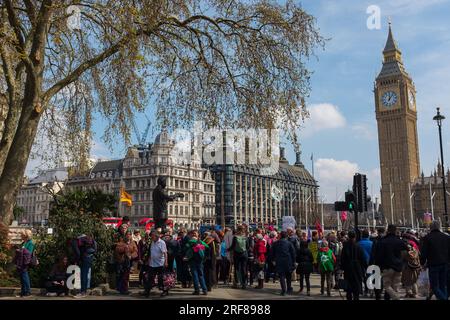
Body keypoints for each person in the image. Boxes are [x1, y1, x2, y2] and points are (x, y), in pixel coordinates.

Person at [374, 225, 408, 300]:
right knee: (395, 287)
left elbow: (378, 256)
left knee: (387, 286)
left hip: (387, 266)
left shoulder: (382, 241)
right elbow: (406, 252)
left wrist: (379, 266)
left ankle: (397, 298)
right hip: (398, 267)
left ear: (387, 230)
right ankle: (395, 297)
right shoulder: (400, 241)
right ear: (395, 231)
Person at [420, 220, 450, 300]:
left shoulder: (427, 238)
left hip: (433, 264)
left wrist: (422, 263)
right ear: (439, 227)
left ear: (430, 227)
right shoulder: (446, 237)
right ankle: (444, 297)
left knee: (434, 286)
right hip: (445, 264)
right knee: (443, 285)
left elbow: (424, 252)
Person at [341, 230, 366, 300]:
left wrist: (342, 268)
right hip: (357, 269)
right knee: (356, 290)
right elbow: (363, 259)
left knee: (348, 290)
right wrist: (364, 268)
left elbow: (342, 259)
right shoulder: (359, 247)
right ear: (355, 237)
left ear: (348, 237)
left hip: (348, 269)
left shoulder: (345, 247)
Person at [144, 230, 169, 297]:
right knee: (150, 278)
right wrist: (148, 260)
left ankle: (164, 290)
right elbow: (151, 252)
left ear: (156, 236)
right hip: (152, 263)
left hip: (160, 263)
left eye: (152, 236)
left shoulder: (162, 243)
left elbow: (165, 253)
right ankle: (147, 291)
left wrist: (166, 262)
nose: (151, 237)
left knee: (161, 278)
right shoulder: (152, 242)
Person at [271, 231, 296, 296]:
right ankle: (289, 288)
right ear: (286, 236)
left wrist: (273, 260)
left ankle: (284, 290)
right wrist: (294, 262)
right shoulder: (289, 243)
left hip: (279, 261)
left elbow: (272, 253)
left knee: (281, 276)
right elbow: (293, 253)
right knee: (288, 275)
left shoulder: (275, 243)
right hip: (288, 261)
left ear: (281, 236)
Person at [185, 229, 209, 295]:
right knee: (201, 275)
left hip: (192, 261)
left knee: (195, 276)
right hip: (200, 261)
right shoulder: (200, 242)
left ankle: (197, 290)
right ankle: (204, 290)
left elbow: (186, 248)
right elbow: (207, 247)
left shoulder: (190, 242)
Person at [73, 233, 97, 298]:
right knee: (85, 275)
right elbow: (95, 250)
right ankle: (84, 291)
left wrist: (77, 260)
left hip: (83, 258)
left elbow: (77, 252)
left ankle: (82, 292)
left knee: (83, 275)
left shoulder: (75, 241)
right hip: (89, 258)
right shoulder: (90, 240)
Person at [14, 229, 35, 297]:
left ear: (26, 235)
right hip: (21, 262)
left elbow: (29, 253)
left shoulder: (30, 243)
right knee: (22, 277)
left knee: (25, 276)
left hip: (25, 262)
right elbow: (22, 251)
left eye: (22, 235)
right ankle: (23, 292)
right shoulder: (23, 243)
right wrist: (19, 250)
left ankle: (27, 292)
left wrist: (21, 250)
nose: (21, 236)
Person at [370, 227, 386, 300]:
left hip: (377, 262)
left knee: (377, 279)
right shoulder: (386, 240)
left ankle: (378, 293)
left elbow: (373, 253)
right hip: (384, 263)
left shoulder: (375, 241)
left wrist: (371, 263)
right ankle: (381, 291)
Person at [358, 229, 373, 296]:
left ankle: (366, 290)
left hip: (361, 262)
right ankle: (370, 290)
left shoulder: (358, 244)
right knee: (370, 276)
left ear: (362, 235)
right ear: (368, 235)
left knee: (363, 277)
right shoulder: (372, 243)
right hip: (370, 261)